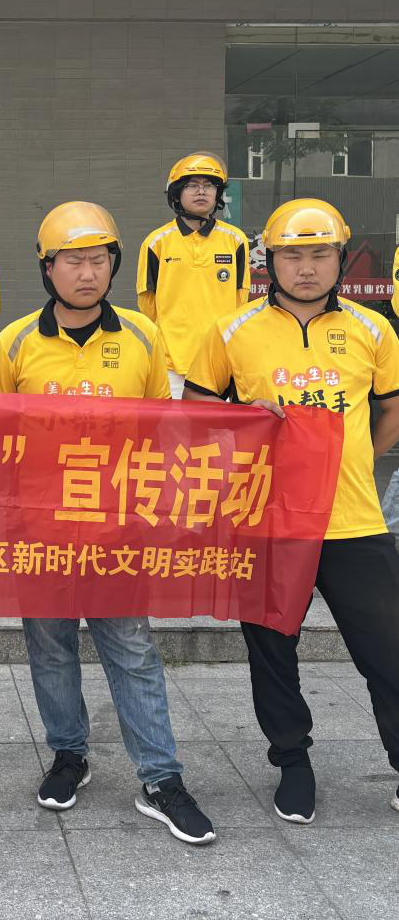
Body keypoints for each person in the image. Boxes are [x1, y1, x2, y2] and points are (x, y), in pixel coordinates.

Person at [0, 201, 216, 845]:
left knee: (132, 651)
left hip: (118, 528)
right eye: (72, 262)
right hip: (42, 529)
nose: (86, 273)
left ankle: (161, 778)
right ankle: (69, 755)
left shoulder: (143, 335)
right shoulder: (15, 342)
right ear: (47, 269)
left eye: (97, 260)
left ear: (113, 265)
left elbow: (165, 430)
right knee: (50, 649)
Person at [185, 198, 399, 825]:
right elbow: (195, 414)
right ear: (270, 261)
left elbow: (392, 408)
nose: (306, 268)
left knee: (387, 651)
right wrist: (244, 425)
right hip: (271, 524)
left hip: (355, 522)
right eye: (292, 255)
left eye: (320, 254)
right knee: (273, 654)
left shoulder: (374, 330)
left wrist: (355, 460)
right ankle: (293, 763)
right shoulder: (232, 331)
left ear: (341, 258)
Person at [136, 152, 249, 398]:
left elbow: (241, 300)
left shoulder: (236, 240)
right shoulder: (156, 242)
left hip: (221, 361)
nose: (201, 191)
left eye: (209, 185)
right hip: (171, 364)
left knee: (220, 424)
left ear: (218, 193)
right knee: (172, 423)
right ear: (177, 193)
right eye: (192, 185)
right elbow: (147, 303)